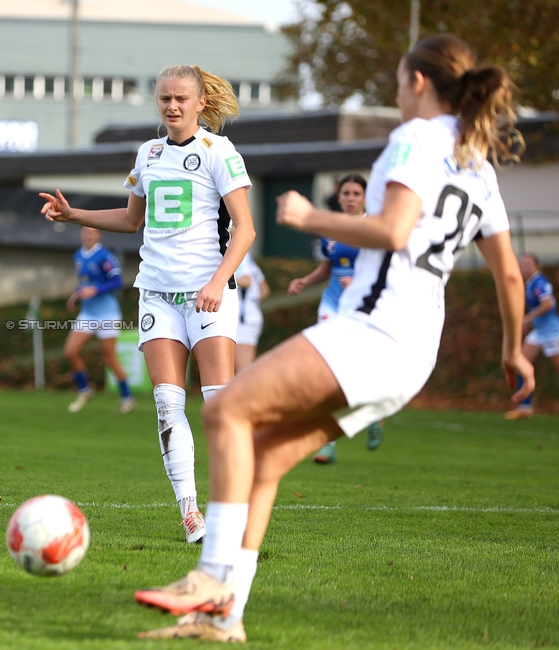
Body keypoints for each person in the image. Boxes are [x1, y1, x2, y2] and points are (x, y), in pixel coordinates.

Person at [133, 34, 533, 642]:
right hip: (415, 353)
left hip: (375, 331)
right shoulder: (477, 162)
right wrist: (511, 350)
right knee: (263, 454)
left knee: (229, 409)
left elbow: (394, 229)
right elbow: (507, 271)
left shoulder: (416, 138)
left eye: (398, 85)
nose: (398, 97)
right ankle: (224, 617)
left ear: (418, 84)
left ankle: (210, 575)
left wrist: (308, 218)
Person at [41, 64, 255, 544]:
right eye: (164, 99)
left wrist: (220, 280)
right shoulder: (149, 153)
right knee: (165, 403)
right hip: (157, 290)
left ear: (201, 103)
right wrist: (73, 213)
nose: (172, 106)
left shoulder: (220, 151)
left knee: (218, 406)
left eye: (181, 98)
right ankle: (190, 511)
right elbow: (132, 218)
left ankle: (230, 505)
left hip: (208, 293)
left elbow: (246, 227)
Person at [287, 174, 385, 462]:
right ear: (339, 197)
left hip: (363, 309)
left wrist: (358, 282)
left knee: (360, 369)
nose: (351, 198)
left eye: (356, 193)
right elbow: (328, 269)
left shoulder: (374, 229)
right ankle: (327, 442)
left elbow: (384, 272)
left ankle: (374, 414)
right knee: (325, 370)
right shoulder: (331, 229)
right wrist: (305, 280)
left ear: (364, 197)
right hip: (331, 304)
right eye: (346, 193)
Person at [64, 226, 135, 414]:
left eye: (92, 232)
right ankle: (84, 390)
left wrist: (95, 290)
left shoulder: (105, 256)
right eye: (86, 232)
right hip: (88, 313)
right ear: (81, 233)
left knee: (109, 357)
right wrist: (77, 294)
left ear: (98, 235)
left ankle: (127, 397)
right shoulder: (78, 255)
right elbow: (85, 282)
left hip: (107, 314)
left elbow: (117, 281)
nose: (88, 235)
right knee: (71, 351)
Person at [503, 253, 559, 419]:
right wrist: (529, 323)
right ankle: (525, 408)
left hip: (552, 333)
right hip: (539, 333)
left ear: (536, 266)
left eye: (528, 264)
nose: (525, 267)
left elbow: (548, 304)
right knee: (520, 363)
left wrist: (528, 318)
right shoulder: (529, 283)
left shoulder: (540, 282)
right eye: (523, 264)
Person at [233, 251, 269, 373]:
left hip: (244, 320)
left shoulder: (237, 252)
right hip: (245, 317)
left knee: (243, 372)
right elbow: (265, 290)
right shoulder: (246, 256)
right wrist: (252, 301)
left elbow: (246, 280)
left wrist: (218, 280)